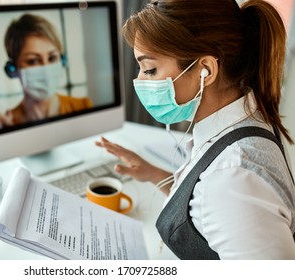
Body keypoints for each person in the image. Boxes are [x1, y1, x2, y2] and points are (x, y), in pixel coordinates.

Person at [96, 0, 295, 259]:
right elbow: (205, 211)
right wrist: (154, 174)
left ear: (206, 70)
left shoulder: (233, 180)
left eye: (150, 69)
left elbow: (223, 198)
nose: (139, 81)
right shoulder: (246, 119)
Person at [0, 14, 93, 132]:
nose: (46, 68)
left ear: (62, 61)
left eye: (52, 58)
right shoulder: (7, 123)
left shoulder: (82, 106)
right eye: (33, 61)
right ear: (13, 69)